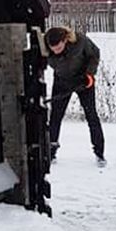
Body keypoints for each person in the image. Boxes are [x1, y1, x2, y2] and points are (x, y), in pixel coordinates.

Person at [45, 26, 105, 167]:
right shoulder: (44, 47)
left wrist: (89, 74)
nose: (56, 51)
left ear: (65, 40)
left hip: (83, 80)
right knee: (55, 116)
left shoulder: (80, 41)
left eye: (58, 48)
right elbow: (39, 62)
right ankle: (51, 151)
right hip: (61, 81)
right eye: (53, 49)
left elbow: (94, 54)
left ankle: (99, 152)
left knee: (91, 115)